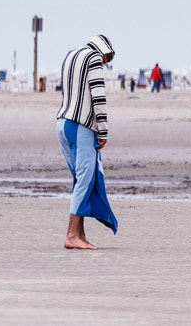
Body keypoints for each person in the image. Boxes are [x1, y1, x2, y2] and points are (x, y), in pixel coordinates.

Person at [55, 34, 118, 249]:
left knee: (80, 179)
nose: (106, 62)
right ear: (103, 50)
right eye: (107, 57)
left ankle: (79, 235)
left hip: (62, 123)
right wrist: (103, 131)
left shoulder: (70, 55)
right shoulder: (93, 59)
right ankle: (72, 235)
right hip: (81, 125)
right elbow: (98, 96)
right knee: (85, 179)